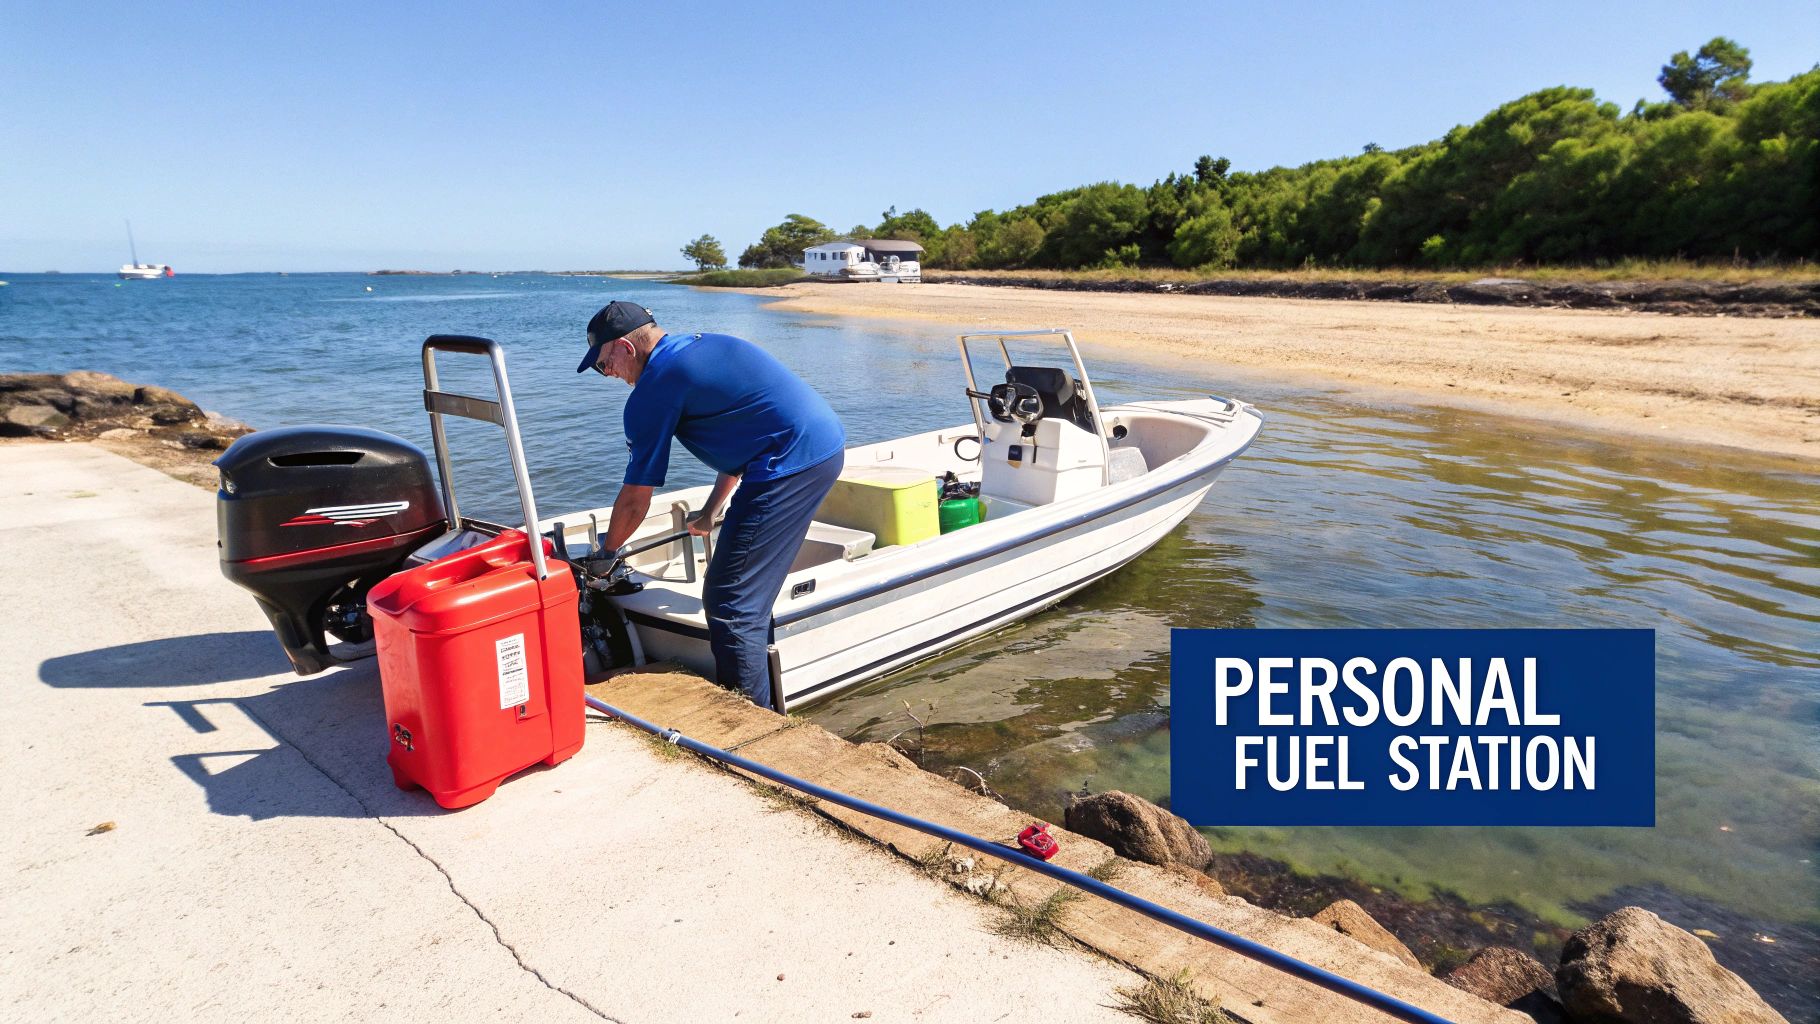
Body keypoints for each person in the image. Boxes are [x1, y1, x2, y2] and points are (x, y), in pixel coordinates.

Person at [577, 301, 845, 708]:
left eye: (603, 364)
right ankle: (765, 692)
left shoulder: (655, 388)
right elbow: (746, 435)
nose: (607, 374)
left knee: (729, 601)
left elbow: (635, 498)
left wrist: (607, 555)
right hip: (817, 447)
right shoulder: (700, 348)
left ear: (625, 349)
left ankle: (753, 725)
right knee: (745, 593)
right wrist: (711, 511)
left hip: (790, 463)